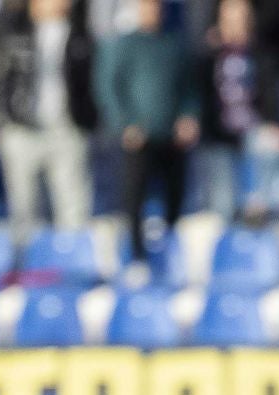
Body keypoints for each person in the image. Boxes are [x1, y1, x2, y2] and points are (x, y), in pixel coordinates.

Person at [96, 0, 200, 261]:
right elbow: (109, 88)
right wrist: (125, 124)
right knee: (134, 200)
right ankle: (137, 257)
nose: (152, 12)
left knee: (175, 199)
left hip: (172, 138)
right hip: (137, 139)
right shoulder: (124, 45)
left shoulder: (174, 44)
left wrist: (188, 117)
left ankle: (173, 257)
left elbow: (190, 89)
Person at [0, 0, 98, 241]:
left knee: (73, 208)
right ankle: (25, 261)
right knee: (23, 210)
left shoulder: (80, 38)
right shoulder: (15, 35)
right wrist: (1, 122)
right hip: (22, 130)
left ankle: (70, 259)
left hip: (66, 129)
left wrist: (86, 120)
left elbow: (92, 85)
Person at [198, 0, 279, 223]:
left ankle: (265, 212)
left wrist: (274, 124)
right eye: (229, 19)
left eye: (241, 19)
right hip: (220, 134)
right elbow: (200, 97)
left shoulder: (263, 54)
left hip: (256, 129)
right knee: (223, 206)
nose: (235, 24)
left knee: (271, 144)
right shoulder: (209, 57)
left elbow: (273, 93)